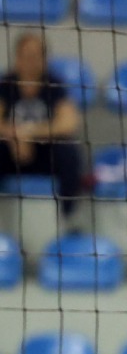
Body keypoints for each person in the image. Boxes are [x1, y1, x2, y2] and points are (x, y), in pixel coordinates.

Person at [0, 32, 83, 218]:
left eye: (36, 55)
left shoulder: (54, 84)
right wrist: (15, 135)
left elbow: (68, 124)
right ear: (17, 57)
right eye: (26, 55)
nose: (30, 60)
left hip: (45, 153)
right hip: (13, 151)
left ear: (44, 58)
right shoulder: (6, 84)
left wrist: (30, 132)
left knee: (69, 152)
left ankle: (67, 218)